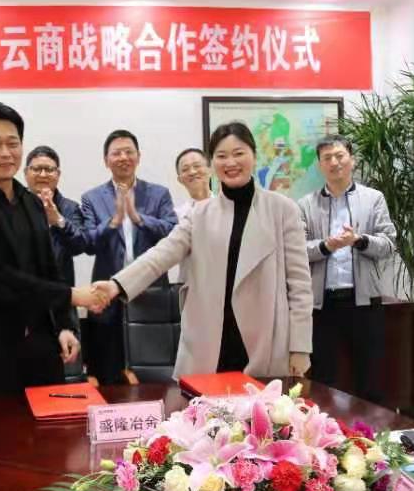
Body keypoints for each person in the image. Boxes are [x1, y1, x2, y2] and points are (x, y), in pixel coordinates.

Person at [91, 122, 313, 379]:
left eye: (238, 153)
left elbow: (300, 284)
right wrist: (116, 285)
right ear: (213, 164)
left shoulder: (282, 209)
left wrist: (300, 347)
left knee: (263, 404)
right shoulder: (200, 214)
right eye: (221, 156)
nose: (230, 162)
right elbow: (161, 254)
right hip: (211, 340)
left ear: (254, 155)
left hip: (266, 340)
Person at [0, 102, 101, 401]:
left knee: (49, 424)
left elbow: (48, 268)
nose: (5, 153)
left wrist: (64, 325)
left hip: (43, 347)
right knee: (0, 428)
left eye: (12, 143)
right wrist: (70, 295)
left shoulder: (31, 202)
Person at [297, 135, 396, 403]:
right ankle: (325, 429)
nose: (334, 162)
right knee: (323, 379)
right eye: (327, 158)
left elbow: (388, 244)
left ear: (352, 160)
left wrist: (359, 240)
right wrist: (326, 245)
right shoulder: (306, 204)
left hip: (364, 303)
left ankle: (371, 429)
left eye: (339, 156)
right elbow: (297, 250)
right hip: (322, 305)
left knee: (371, 378)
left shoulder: (373, 199)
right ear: (320, 165)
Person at [80, 129, 178, 384]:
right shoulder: (91, 198)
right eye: (116, 153)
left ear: (138, 156)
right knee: (108, 369)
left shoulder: (159, 194)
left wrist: (138, 218)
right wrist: (113, 222)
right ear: (106, 160)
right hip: (107, 293)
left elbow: (173, 233)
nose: (123, 157)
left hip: (150, 290)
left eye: (128, 152)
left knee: (153, 369)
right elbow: (88, 243)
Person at [23, 145, 87, 288]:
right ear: (26, 173)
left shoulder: (70, 208)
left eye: (49, 169)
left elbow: (80, 246)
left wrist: (58, 220)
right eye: (36, 169)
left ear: (58, 174)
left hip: (59, 293)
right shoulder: (12, 205)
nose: (43, 175)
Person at [172, 147, 213, 284]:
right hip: (189, 286)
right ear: (180, 179)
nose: (192, 172)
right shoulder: (176, 216)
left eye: (197, 166)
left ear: (210, 170)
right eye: (185, 169)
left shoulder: (228, 207)